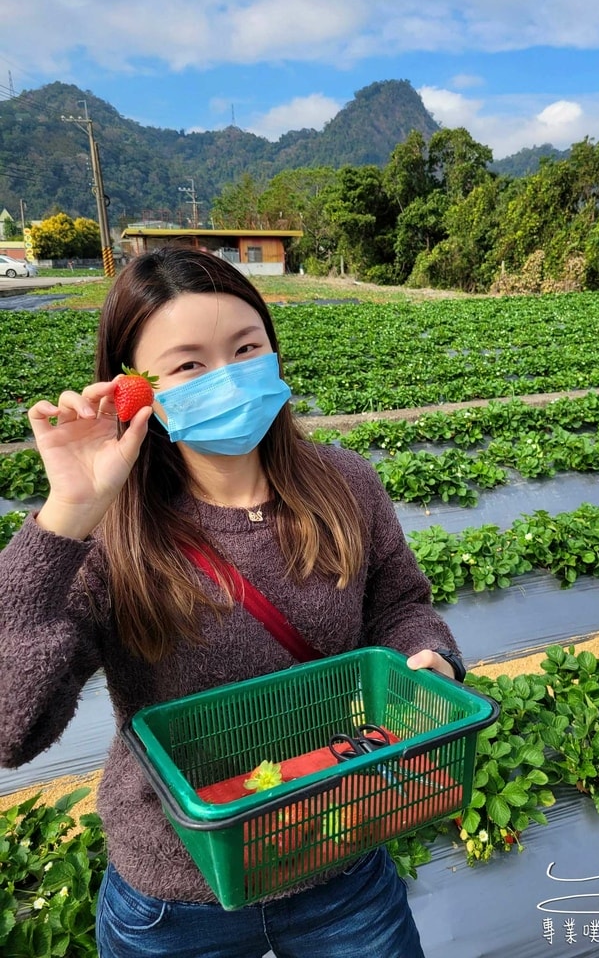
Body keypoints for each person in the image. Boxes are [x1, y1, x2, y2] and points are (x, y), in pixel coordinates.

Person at [0, 245, 465, 958]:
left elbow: (400, 603)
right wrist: (66, 515)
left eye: (246, 349)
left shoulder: (343, 485)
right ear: (137, 388)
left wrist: (424, 655)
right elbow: (12, 727)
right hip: (179, 891)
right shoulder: (111, 533)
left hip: (336, 848)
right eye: (188, 364)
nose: (229, 377)